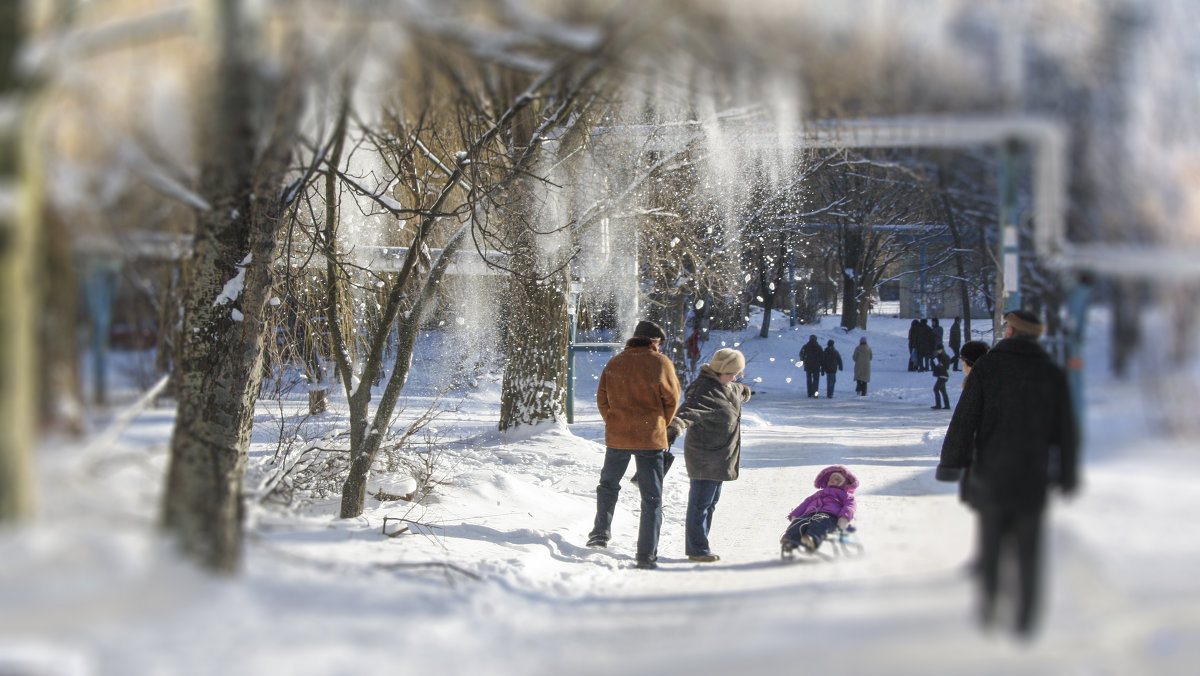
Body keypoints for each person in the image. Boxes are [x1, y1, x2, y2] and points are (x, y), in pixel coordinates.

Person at [936, 309, 1079, 636]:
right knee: (1029, 550)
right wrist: (1067, 472)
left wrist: (951, 464)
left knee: (992, 545)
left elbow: (965, 419)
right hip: (1032, 477)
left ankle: (989, 610)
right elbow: (1065, 430)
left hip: (992, 475)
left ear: (1012, 332)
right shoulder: (1050, 372)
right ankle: (1026, 620)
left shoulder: (988, 368)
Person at [588, 320, 683, 570]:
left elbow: (602, 398)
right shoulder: (661, 363)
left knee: (608, 485)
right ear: (654, 341)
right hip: (650, 437)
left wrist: (614, 419)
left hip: (618, 436)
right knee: (652, 497)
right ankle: (646, 554)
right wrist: (660, 423)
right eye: (659, 343)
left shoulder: (616, 362)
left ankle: (599, 533)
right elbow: (672, 400)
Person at [666, 348, 752, 563]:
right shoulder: (706, 390)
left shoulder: (727, 386)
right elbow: (689, 411)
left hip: (720, 455)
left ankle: (701, 544)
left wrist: (745, 391)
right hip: (705, 455)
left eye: (737, 374)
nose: (735, 377)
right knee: (700, 505)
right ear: (721, 371)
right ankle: (697, 548)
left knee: (709, 503)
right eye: (733, 373)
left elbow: (737, 390)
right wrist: (675, 428)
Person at [780, 465, 859, 554]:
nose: (832, 480)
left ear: (845, 483)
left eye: (837, 479)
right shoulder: (819, 493)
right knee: (799, 522)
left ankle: (811, 540)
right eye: (831, 478)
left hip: (829, 517)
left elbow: (850, 507)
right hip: (810, 514)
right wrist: (795, 515)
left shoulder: (846, 495)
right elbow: (805, 503)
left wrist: (844, 519)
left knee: (819, 523)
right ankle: (789, 540)